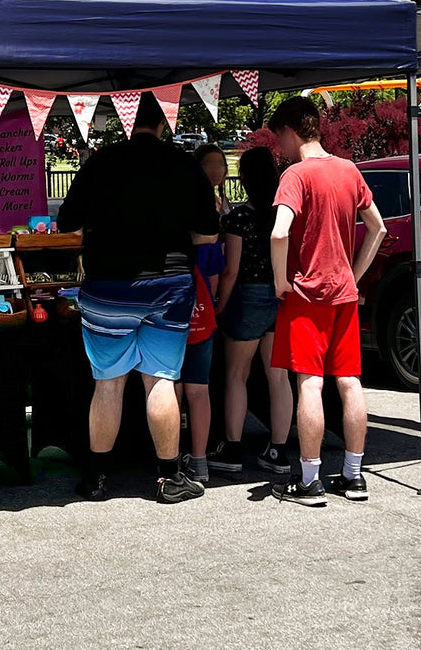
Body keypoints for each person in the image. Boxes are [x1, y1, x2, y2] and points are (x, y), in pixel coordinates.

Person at [57, 92, 221, 503]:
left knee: (107, 384)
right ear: (163, 123)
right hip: (169, 285)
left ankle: (96, 480)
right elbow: (209, 231)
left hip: (107, 286)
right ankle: (168, 478)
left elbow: (67, 223)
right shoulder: (183, 164)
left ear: (129, 122)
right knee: (160, 379)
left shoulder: (100, 162)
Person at [267, 98, 387, 506]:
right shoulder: (349, 170)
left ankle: (310, 480)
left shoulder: (294, 175)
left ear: (289, 132)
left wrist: (281, 280)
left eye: (278, 137)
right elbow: (378, 228)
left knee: (310, 384)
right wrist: (354, 274)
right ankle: (354, 476)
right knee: (350, 382)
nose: (278, 147)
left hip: (306, 295)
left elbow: (279, 233)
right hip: (344, 295)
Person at [209, 145, 293, 476]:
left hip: (248, 298)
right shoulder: (283, 212)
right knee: (278, 376)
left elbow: (230, 270)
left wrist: (219, 307)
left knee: (236, 375)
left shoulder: (238, 218)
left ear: (243, 177)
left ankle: (231, 448)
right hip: (280, 296)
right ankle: (279, 449)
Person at [178, 266, 217, 484]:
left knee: (170, 388)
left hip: (170, 316)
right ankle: (199, 462)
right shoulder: (208, 244)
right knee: (199, 391)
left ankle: (170, 459)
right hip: (202, 316)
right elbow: (216, 279)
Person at [194, 142, 230, 215]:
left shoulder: (221, 199)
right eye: (209, 164)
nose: (216, 170)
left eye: (220, 164)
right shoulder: (195, 201)